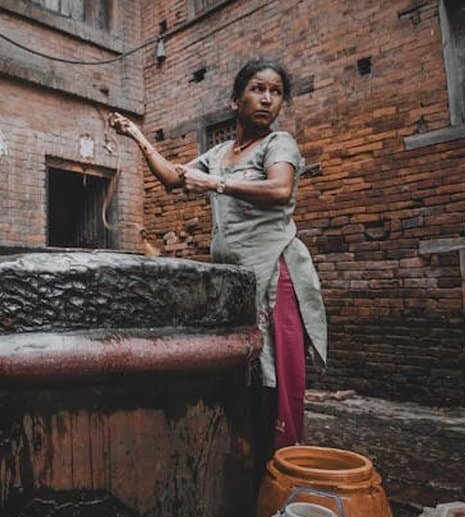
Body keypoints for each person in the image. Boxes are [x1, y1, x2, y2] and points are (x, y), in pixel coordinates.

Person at [108, 58, 326, 452]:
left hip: (273, 277)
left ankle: (279, 465)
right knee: (242, 369)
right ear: (234, 100)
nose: (267, 100)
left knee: (276, 374)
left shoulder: (279, 144)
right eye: (258, 89)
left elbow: (279, 190)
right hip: (233, 279)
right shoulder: (221, 151)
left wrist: (218, 184)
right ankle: (243, 454)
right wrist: (137, 136)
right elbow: (174, 178)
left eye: (276, 93)